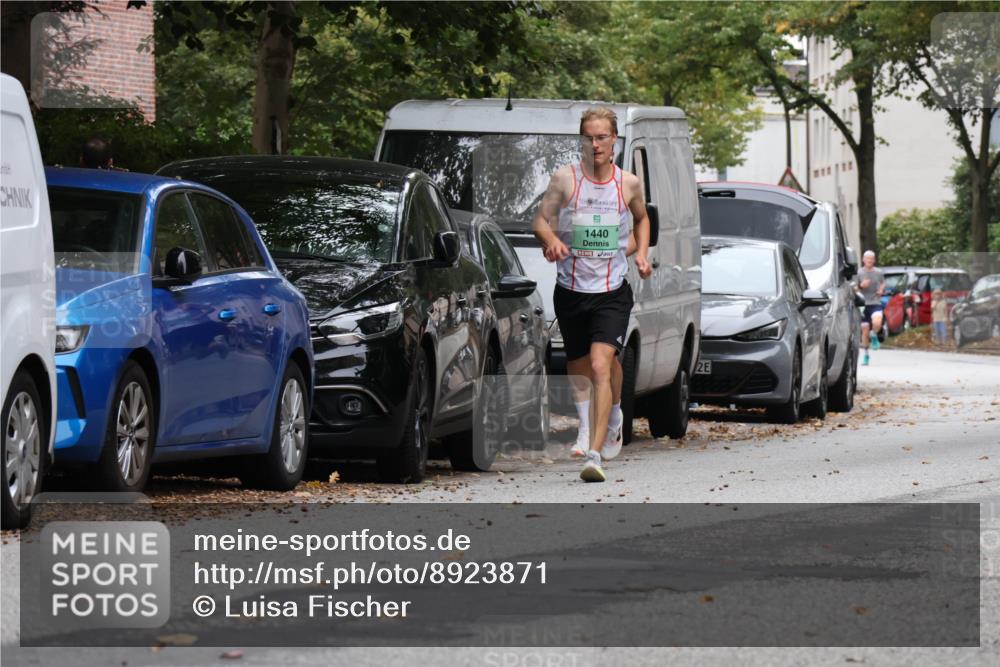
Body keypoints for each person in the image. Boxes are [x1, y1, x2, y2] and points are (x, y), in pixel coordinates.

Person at [532, 106, 653, 483]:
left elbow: (642, 218)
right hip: (570, 290)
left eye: (602, 137)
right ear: (581, 140)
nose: (595, 144)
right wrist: (551, 240)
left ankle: (596, 450)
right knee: (578, 361)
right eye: (588, 137)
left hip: (611, 292)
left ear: (614, 140)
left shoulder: (627, 183)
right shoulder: (565, 180)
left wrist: (643, 253)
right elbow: (540, 219)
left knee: (602, 365)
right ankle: (591, 424)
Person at [856, 250, 885, 365]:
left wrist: (881, 290)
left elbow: (882, 283)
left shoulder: (878, 272)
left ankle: (874, 334)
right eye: (867, 259)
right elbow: (853, 288)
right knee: (865, 331)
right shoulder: (859, 273)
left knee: (877, 322)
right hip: (863, 304)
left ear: (874, 260)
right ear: (863, 260)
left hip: (875, 302)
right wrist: (861, 286)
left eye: (871, 259)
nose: (869, 261)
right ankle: (866, 355)